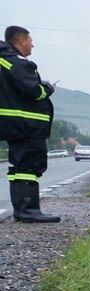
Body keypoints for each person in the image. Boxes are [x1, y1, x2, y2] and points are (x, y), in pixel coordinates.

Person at [0, 25, 59, 223]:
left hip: (14, 125)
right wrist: (48, 88)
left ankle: (23, 210)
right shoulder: (16, 63)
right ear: (21, 41)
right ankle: (29, 211)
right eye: (30, 41)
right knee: (29, 166)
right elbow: (34, 91)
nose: (32, 45)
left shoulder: (4, 61)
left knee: (19, 167)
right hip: (27, 125)